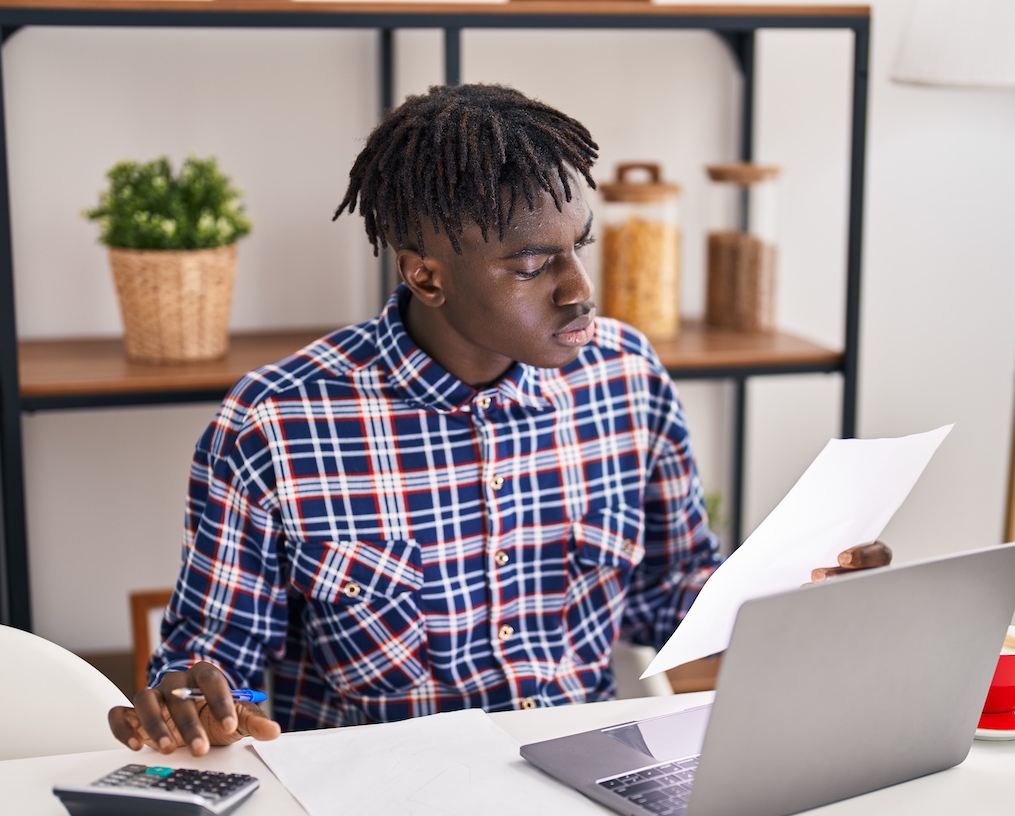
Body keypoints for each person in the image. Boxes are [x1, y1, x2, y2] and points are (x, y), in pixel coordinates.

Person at [107, 83, 889, 757]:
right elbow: (215, 664)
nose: (580, 288)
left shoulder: (626, 376)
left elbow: (673, 600)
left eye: (580, 246)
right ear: (425, 275)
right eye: (531, 264)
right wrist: (194, 703)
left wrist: (804, 596)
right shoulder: (274, 424)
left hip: (591, 784)